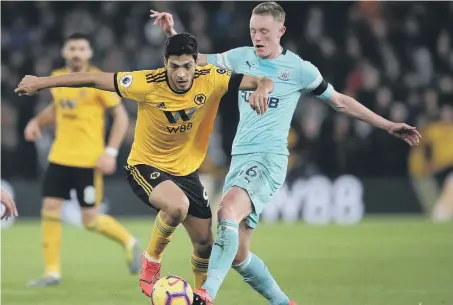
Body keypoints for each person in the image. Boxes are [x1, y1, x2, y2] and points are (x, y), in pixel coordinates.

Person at [150, 3, 422, 305]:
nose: (258, 37)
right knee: (238, 254)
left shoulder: (299, 69)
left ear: (281, 31)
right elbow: (193, 62)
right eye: (254, 31)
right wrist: (173, 34)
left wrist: (387, 125)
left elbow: (340, 102)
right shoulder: (240, 57)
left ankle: (205, 295)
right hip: (240, 159)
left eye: (265, 31)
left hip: (268, 159)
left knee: (226, 211)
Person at [15, 32, 274, 297]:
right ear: (165, 63)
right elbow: (93, 79)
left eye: (187, 66)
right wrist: (40, 82)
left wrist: (263, 88)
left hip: (186, 171)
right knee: (176, 206)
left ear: (197, 63)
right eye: (174, 66)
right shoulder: (145, 82)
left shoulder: (214, 78)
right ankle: (151, 259)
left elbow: (261, 80)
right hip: (145, 165)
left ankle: (200, 298)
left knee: (205, 243)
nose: (182, 74)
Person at [22, 33, 140, 287]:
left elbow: (121, 117)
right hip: (59, 157)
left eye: (81, 48)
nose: (76, 52)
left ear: (89, 53)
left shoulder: (97, 80)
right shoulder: (58, 78)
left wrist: (110, 151)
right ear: (65, 51)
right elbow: (58, 107)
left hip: (88, 160)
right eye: (72, 48)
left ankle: (129, 241)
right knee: (50, 210)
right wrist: (37, 122)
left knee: (90, 220)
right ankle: (52, 272)